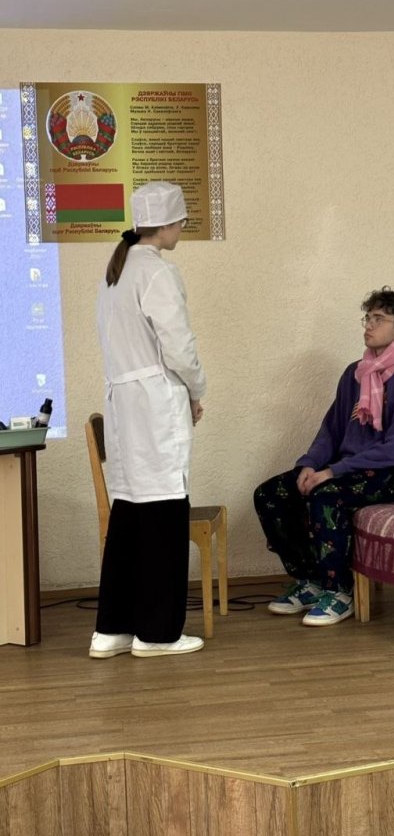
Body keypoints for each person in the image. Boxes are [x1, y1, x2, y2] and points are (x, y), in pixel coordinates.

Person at [254, 287, 394, 627]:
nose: (369, 325)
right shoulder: (356, 373)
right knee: (271, 494)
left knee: (326, 496)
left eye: (379, 319)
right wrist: (310, 464)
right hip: (347, 470)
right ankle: (311, 580)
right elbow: (332, 430)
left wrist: (333, 471)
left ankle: (339, 591)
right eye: (367, 317)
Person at [89, 181, 207, 659]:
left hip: (124, 405)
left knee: (130, 512)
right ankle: (157, 634)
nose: (182, 229)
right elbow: (178, 346)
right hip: (155, 404)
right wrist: (197, 390)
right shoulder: (157, 272)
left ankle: (112, 629)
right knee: (162, 513)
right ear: (169, 224)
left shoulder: (114, 273)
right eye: (181, 222)